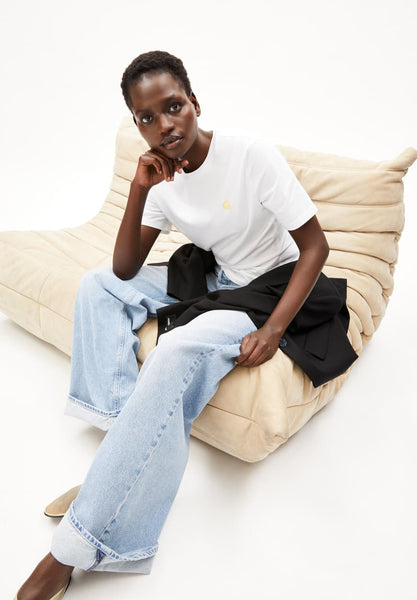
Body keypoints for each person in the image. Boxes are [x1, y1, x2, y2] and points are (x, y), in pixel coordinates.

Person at [15, 50, 330, 600]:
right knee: (97, 286)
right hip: (216, 277)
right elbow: (123, 270)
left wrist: (275, 330)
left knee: (175, 348)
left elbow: (315, 247)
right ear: (137, 125)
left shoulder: (249, 154)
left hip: (269, 289)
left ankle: (70, 551)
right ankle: (120, 451)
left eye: (173, 107)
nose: (164, 125)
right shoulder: (160, 177)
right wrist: (140, 188)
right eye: (147, 117)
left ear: (195, 104)